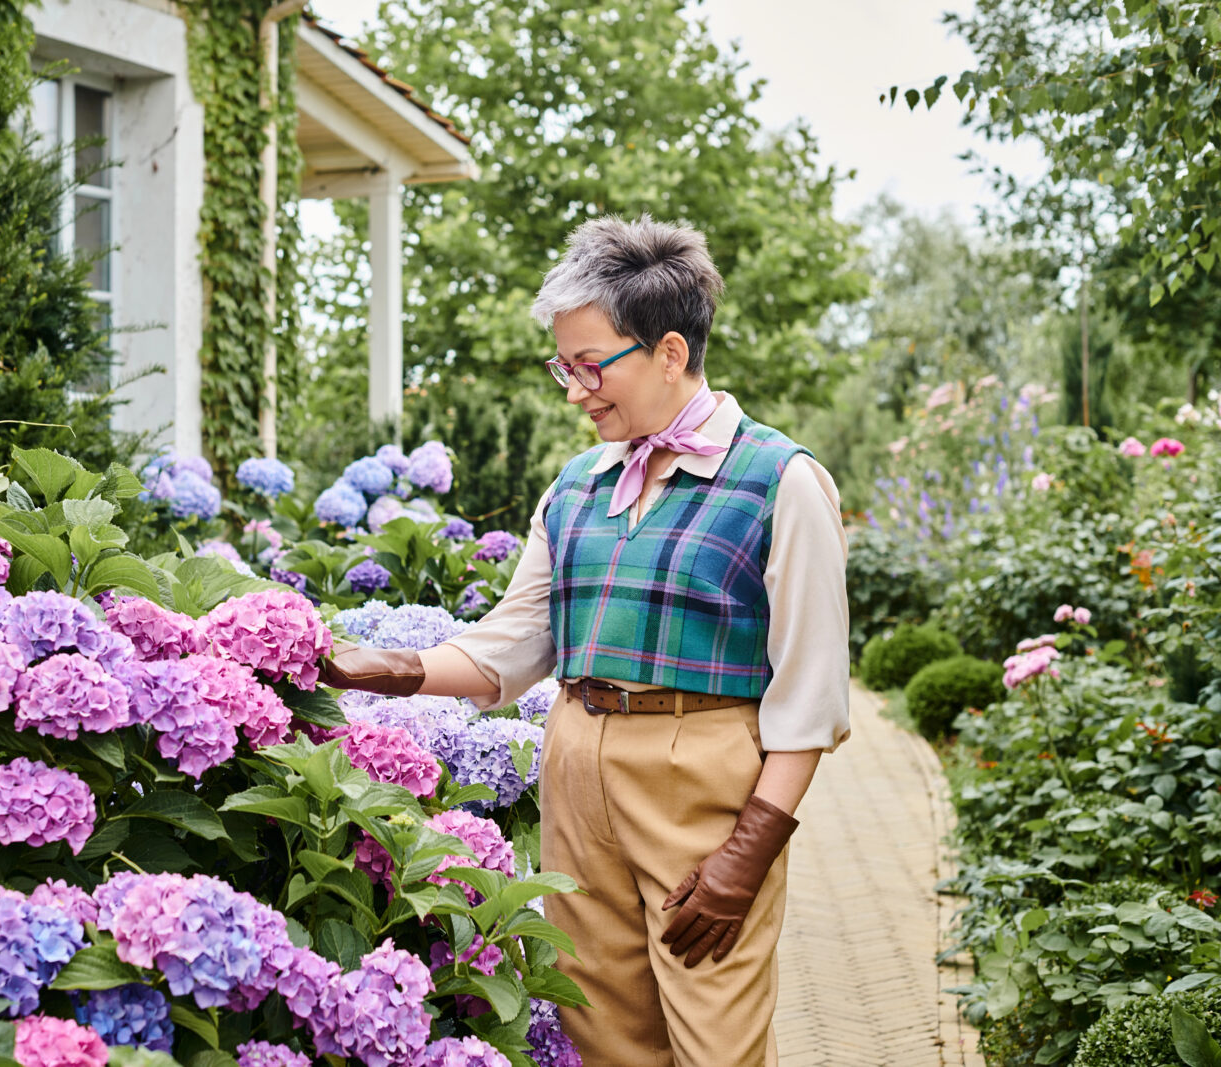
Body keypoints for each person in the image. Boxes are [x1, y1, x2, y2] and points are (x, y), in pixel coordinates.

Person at [320, 215, 850, 1066]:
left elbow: (812, 695)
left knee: (716, 1043)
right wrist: (385, 668)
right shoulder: (575, 487)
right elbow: (514, 643)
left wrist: (746, 856)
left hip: (702, 788)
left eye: (589, 365)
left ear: (669, 352)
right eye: (561, 366)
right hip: (576, 771)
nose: (573, 390)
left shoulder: (780, 481)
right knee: (600, 1036)